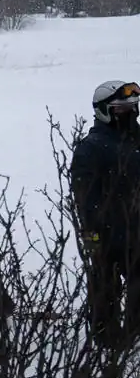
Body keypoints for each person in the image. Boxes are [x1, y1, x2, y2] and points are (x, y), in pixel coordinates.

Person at [71, 81, 140, 347]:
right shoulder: (92, 147)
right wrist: (93, 236)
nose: (130, 114)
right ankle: (106, 342)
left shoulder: (135, 139)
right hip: (106, 232)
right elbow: (84, 197)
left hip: (135, 230)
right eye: (122, 109)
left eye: (133, 108)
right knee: (104, 289)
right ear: (105, 112)